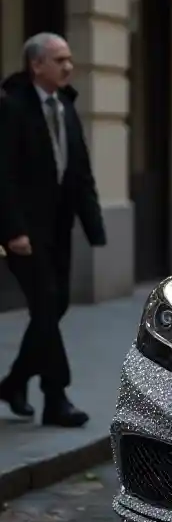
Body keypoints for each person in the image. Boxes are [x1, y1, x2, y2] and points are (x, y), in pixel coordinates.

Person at [0, 33, 106, 428]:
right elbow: (3, 175)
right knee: (46, 303)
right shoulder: (13, 108)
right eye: (59, 60)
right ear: (36, 65)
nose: (68, 67)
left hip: (59, 226)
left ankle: (14, 382)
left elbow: (80, 171)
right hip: (25, 231)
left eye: (69, 59)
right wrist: (13, 230)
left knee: (55, 305)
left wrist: (94, 226)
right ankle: (55, 396)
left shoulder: (65, 105)